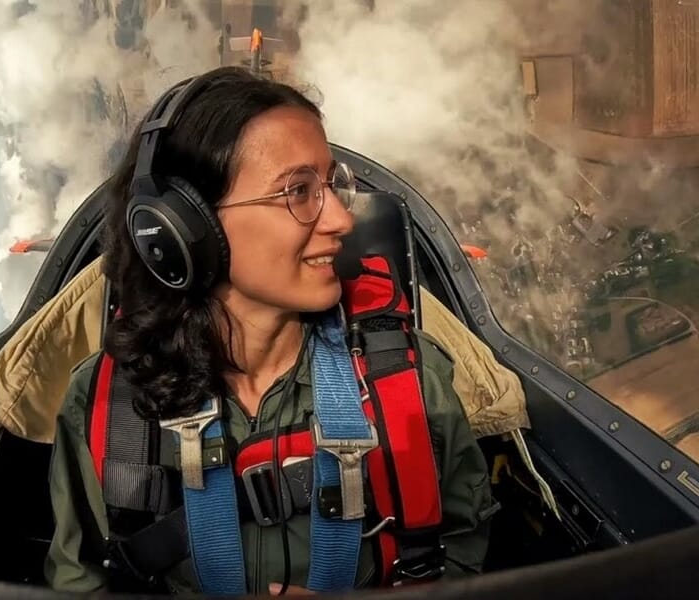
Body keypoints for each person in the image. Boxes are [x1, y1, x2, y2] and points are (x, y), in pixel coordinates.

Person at [44, 66, 494, 595]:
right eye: (298, 191)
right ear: (188, 229)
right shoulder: (106, 407)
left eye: (330, 185)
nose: (341, 221)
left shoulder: (408, 379)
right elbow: (82, 583)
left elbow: (462, 557)